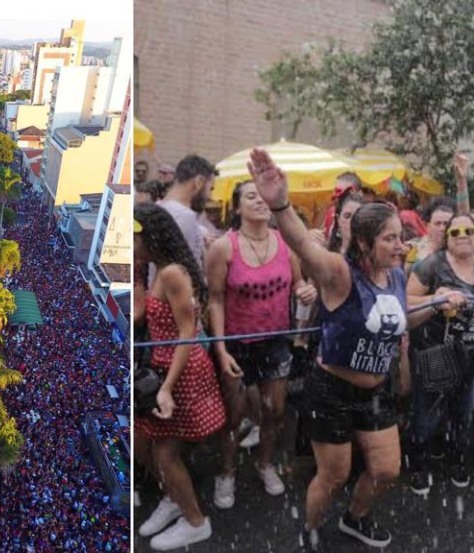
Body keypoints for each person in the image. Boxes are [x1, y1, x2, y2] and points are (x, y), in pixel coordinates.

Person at [248, 147, 418, 551]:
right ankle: (309, 529)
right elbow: (304, 248)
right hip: (331, 392)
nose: (401, 245)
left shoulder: (396, 275)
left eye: (401, 237)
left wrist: (441, 302)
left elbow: (399, 321)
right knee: (334, 475)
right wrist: (280, 204)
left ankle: (355, 518)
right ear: (363, 241)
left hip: (375, 391)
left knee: (386, 469)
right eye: (391, 238)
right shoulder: (341, 273)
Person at [206, 181, 317, 508]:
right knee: (232, 416)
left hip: (275, 341)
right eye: (251, 196)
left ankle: (265, 463)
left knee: (275, 411)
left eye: (263, 195)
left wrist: (305, 290)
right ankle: (226, 472)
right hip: (236, 343)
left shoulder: (284, 243)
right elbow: (214, 300)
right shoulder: (224, 248)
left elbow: (299, 283)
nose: (260, 201)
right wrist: (221, 348)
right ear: (237, 207)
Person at [133, 203, 226, 551]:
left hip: (181, 370)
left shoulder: (172, 273)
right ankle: (174, 496)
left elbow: (187, 332)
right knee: (151, 447)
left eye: (134, 239)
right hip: (164, 365)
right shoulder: (157, 269)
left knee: (166, 455)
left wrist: (168, 388)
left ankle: (194, 521)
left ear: (150, 237)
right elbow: (141, 315)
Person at [405, 213, 474, 495]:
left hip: (472, 354)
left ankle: (457, 460)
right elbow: (406, 305)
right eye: (455, 231)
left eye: (468, 230)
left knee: (463, 413)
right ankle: (420, 466)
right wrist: (436, 300)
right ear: (447, 237)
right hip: (434, 352)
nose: (462, 235)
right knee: (427, 415)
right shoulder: (431, 266)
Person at [156, 155, 218, 271]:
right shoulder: (185, 216)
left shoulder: (157, 207)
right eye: (210, 189)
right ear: (198, 182)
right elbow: (181, 272)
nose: (210, 196)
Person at [405, 200, 454, 274]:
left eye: (446, 224)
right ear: (428, 227)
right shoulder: (415, 250)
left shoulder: (460, 251)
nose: (442, 228)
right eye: (437, 224)